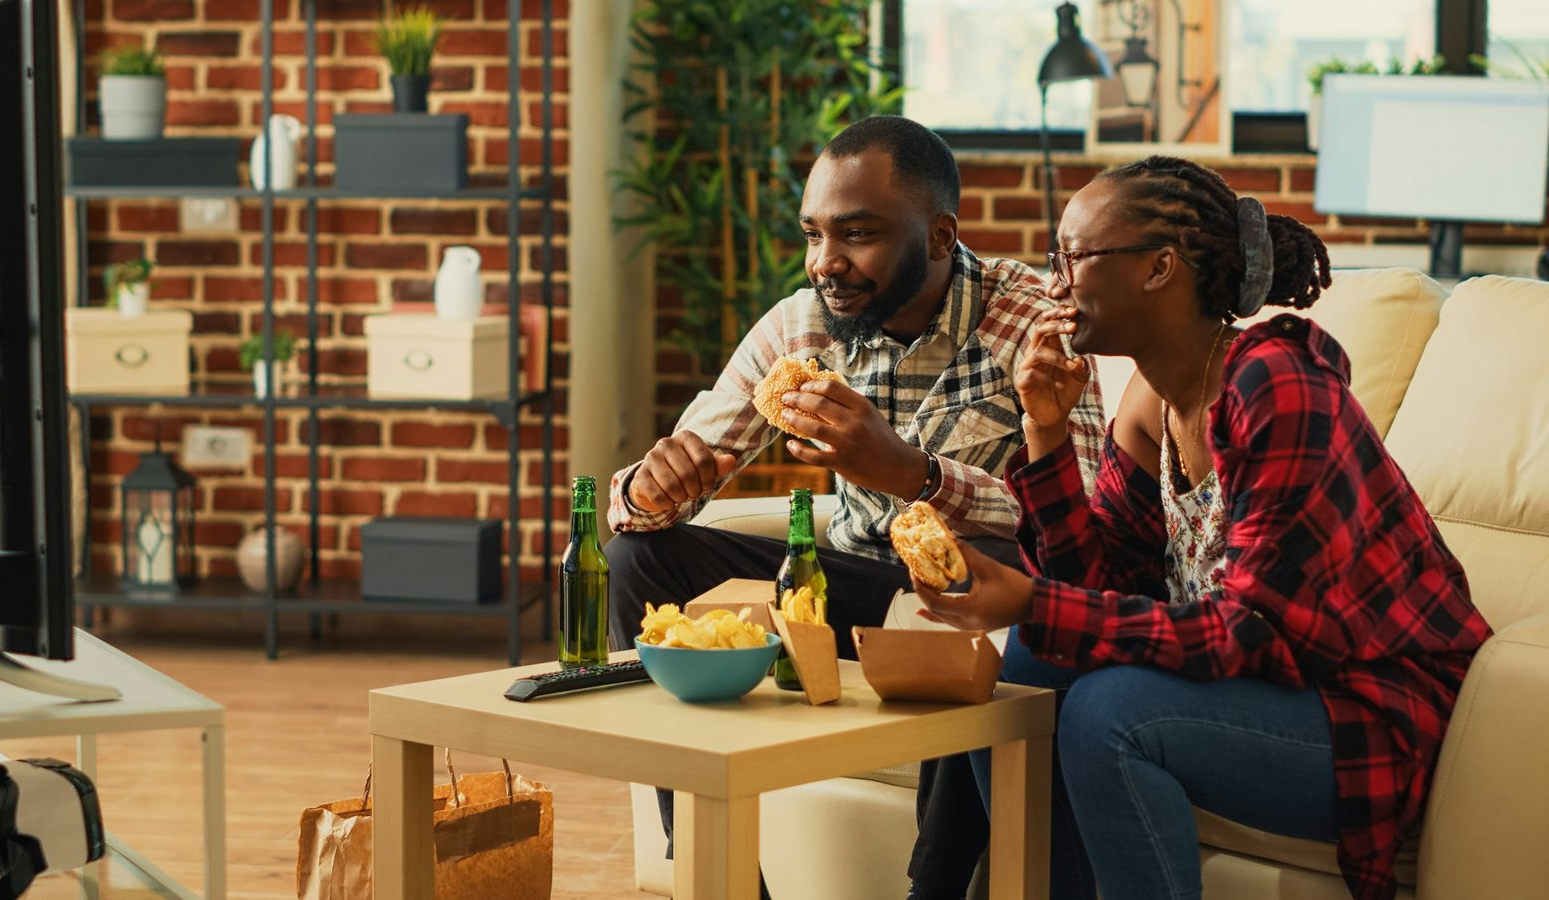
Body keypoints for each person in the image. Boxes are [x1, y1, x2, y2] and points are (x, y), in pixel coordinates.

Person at [908, 155, 1492, 900]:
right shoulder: (1151, 399)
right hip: (1250, 690)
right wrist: (1046, 434)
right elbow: (1095, 591)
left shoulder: (1277, 385)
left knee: (1106, 713)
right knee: (1028, 665)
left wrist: (1029, 599)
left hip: (1366, 712)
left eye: (1072, 257)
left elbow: (1250, 632)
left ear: (1159, 268)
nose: (1053, 283)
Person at [602, 115, 1106, 893]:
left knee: (987, 578)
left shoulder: (1034, 322)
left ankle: (931, 887)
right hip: (844, 586)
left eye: (858, 235)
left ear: (940, 237)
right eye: (813, 235)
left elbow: (1091, 524)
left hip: (956, 598)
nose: (825, 265)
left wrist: (917, 475)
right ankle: (718, 875)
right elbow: (659, 492)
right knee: (641, 556)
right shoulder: (801, 328)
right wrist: (651, 485)